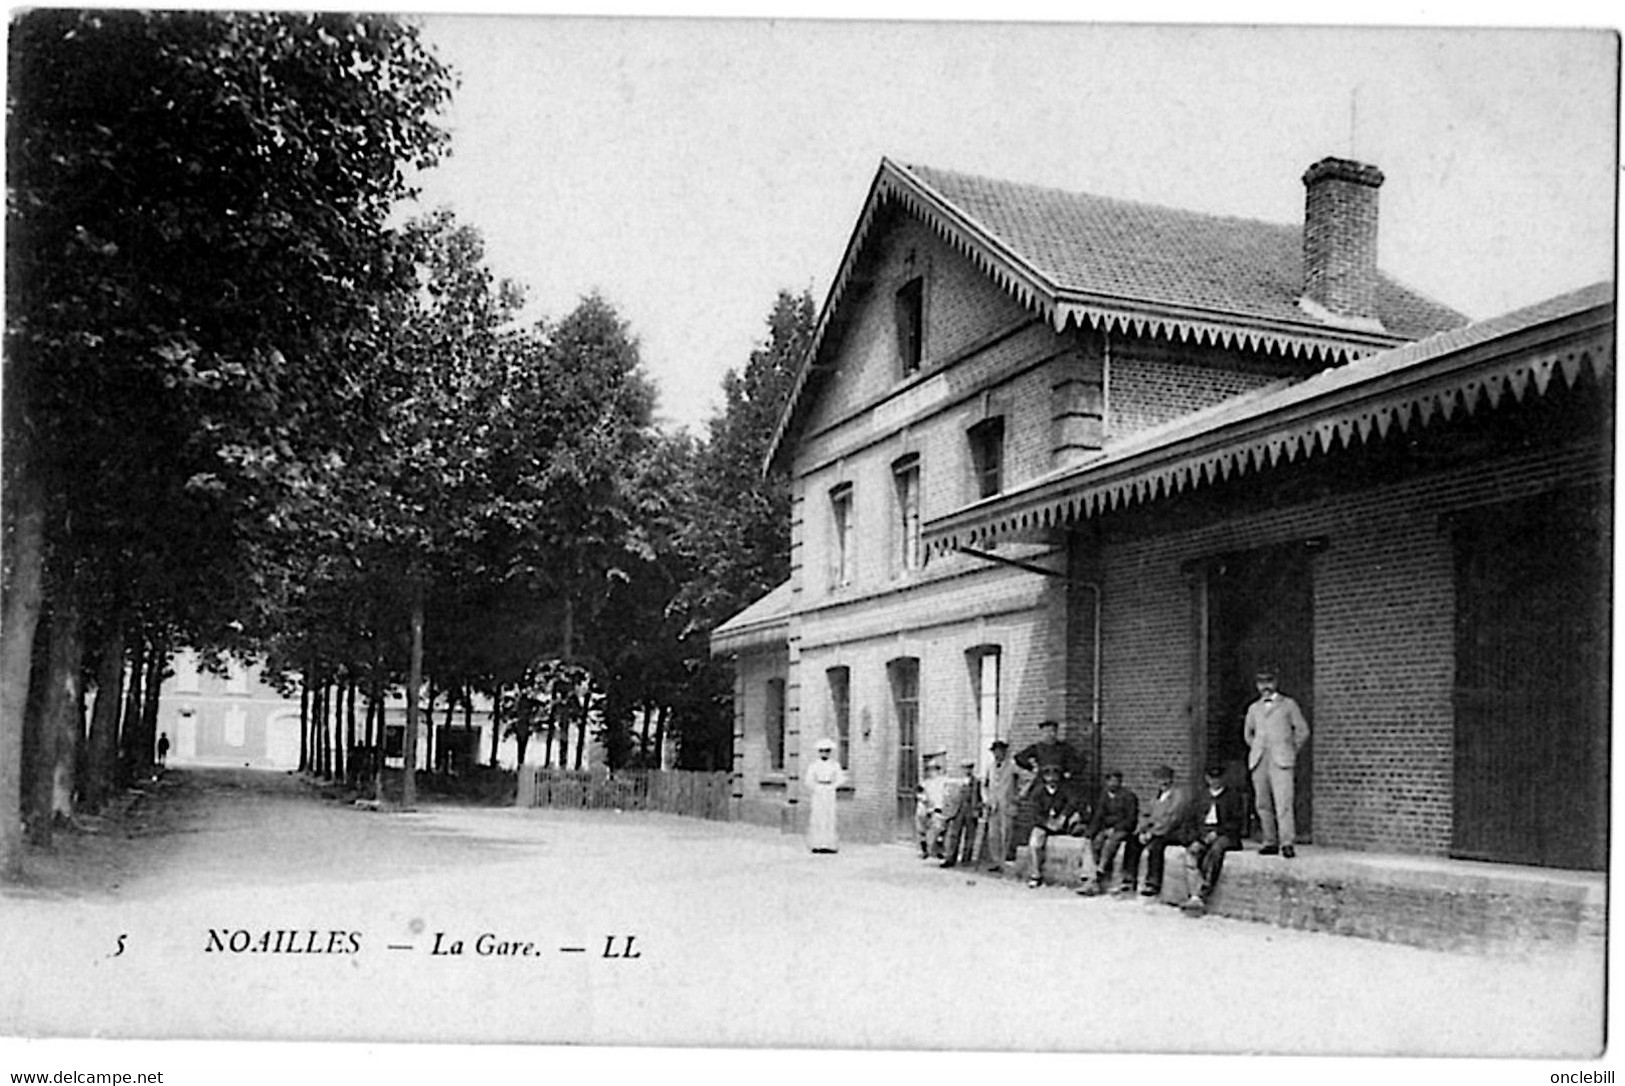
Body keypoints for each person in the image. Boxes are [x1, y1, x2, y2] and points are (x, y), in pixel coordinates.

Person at [1244, 666, 1311, 858]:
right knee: (1262, 803)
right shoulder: (1254, 708)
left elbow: (1302, 731)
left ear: (1276, 682)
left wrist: (1290, 749)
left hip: (1281, 759)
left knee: (1283, 802)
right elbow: (1248, 734)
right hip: (1259, 760)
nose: (1265, 686)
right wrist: (1257, 748)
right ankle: (1269, 840)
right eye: (1261, 683)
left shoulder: (1288, 704)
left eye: (1269, 682)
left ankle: (1287, 842)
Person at [1182, 764, 1246, 915]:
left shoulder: (1232, 797)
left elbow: (1237, 822)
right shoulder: (1200, 797)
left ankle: (1204, 890)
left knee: (1216, 850)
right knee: (1192, 853)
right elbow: (1191, 821)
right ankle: (1194, 894)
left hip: (1225, 834)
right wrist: (1196, 838)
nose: (1215, 781)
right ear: (1207, 779)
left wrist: (1218, 832)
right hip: (1204, 833)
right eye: (1211, 778)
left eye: (1218, 778)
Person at [1120, 764, 1189, 896]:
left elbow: (1172, 818)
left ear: (1171, 779)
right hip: (1154, 831)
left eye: (1165, 779)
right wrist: (1142, 831)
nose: (1162, 782)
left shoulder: (1177, 796)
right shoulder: (1156, 797)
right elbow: (1146, 814)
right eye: (1159, 779)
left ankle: (1153, 882)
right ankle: (1129, 878)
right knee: (1132, 842)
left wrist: (1152, 833)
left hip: (1172, 832)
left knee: (1156, 846)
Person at [1024, 763, 1080, 889]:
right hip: (1043, 824)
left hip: (1062, 823)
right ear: (1044, 778)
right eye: (1048, 776)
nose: (1052, 779)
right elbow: (1035, 813)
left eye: (1055, 776)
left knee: (1076, 820)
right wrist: (1047, 824)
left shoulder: (1064, 790)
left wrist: (1064, 816)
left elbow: (1073, 802)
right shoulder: (1038, 792)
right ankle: (1035, 875)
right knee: (1034, 843)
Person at [1083, 770, 1138, 895]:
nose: (1113, 784)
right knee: (1096, 842)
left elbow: (1131, 818)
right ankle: (1095, 876)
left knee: (1111, 843)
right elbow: (1098, 816)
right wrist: (1090, 832)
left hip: (1123, 828)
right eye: (1111, 781)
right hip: (1106, 827)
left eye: (1116, 781)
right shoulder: (1104, 796)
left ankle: (1100, 869)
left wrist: (1117, 827)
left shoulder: (1128, 796)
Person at [802, 737, 848, 854]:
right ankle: (817, 844)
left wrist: (833, 786)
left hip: (829, 791)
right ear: (819, 752)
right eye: (822, 751)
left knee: (829, 817)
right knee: (818, 817)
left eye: (827, 751)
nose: (824, 753)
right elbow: (808, 780)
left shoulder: (834, 765)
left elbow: (841, 778)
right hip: (818, 791)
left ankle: (829, 844)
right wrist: (816, 787)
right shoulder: (814, 765)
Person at [1013, 719, 1086, 790]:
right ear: (1042, 733)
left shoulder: (1064, 748)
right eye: (1046, 731)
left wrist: (1070, 771)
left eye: (1052, 731)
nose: (1049, 734)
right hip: (1042, 779)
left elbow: (1081, 760)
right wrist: (1031, 768)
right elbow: (1019, 758)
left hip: (1061, 780)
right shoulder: (1037, 748)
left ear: (1056, 732)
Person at [981, 739, 1019, 872]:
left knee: (1006, 833)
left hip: (1007, 804)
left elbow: (1027, 779)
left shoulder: (1012, 766)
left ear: (1005, 752)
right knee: (993, 834)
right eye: (995, 752)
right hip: (993, 806)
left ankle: (1004, 861)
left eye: (1000, 751)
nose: (997, 754)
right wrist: (986, 799)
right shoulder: (989, 767)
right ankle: (996, 861)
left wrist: (1018, 796)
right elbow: (984, 785)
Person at [939, 757, 981, 868]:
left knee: (970, 835)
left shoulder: (976, 782)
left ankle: (966, 859)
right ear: (961, 769)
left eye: (969, 768)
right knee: (954, 834)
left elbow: (979, 797)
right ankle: (950, 858)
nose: (967, 770)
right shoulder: (956, 782)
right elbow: (951, 796)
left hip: (970, 811)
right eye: (965, 768)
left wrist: (977, 809)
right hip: (958, 810)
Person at [915, 751, 948, 859]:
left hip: (938, 809)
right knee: (921, 827)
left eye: (934, 769)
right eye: (930, 770)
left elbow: (945, 795)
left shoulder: (942, 782)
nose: (932, 772)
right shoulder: (925, 783)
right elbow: (920, 795)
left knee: (939, 828)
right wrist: (925, 804)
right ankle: (924, 849)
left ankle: (939, 850)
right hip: (927, 808)